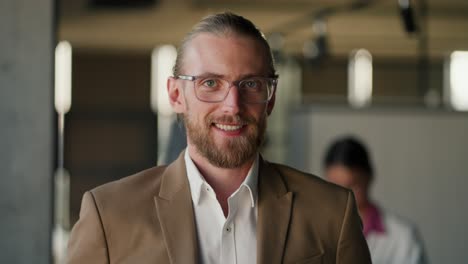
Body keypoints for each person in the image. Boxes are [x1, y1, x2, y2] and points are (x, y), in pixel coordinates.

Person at [67, 12, 371, 264]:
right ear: (176, 95)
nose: (232, 105)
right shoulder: (110, 215)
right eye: (211, 83)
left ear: (271, 98)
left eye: (250, 83)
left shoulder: (331, 213)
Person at [324, 136, 427, 264]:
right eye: (335, 187)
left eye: (353, 186)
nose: (343, 196)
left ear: (369, 177)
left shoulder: (404, 237)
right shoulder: (314, 232)